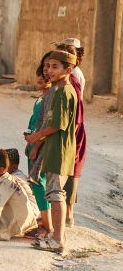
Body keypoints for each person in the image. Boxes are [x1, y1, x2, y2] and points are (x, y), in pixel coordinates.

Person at [26, 50, 78, 255]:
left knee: (56, 194)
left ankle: (58, 240)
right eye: (48, 66)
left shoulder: (65, 91)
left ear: (68, 69)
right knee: (52, 192)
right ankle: (57, 237)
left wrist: (35, 138)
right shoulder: (56, 90)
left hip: (60, 148)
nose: (49, 70)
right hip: (52, 147)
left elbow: (57, 125)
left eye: (55, 67)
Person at [55, 43, 87, 228]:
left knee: (69, 171)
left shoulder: (72, 79)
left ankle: (66, 215)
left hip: (72, 131)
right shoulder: (70, 77)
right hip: (72, 129)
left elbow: (75, 112)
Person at [0, 149, 39, 241]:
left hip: (22, 223)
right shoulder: (7, 179)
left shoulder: (5, 184)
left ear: (0, 170)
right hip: (29, 222)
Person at [25, 65, 53, 239]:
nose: (41, 78)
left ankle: (47, 226)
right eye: (39, 75)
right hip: (33, 143)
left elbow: (45, 126)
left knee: (38, 183)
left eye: (45, 75)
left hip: (40, 146)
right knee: (36, 183)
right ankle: (44, 221)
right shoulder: (39, 99)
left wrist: (35, 147)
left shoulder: (48, 100)